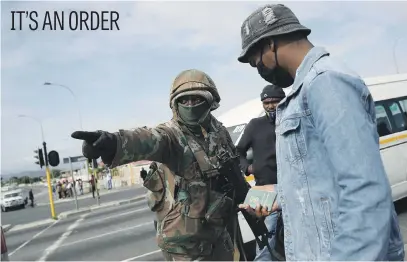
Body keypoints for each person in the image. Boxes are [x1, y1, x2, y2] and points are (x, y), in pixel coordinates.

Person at [237, 4, 405, 261]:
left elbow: (365, 191)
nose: (258, 68)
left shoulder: (326, 83)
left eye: (255, 61)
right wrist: (279, 194)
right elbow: (321, 183)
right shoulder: (304, 90)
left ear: (269, 43)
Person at [71, 69, 238, 261]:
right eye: (184, 100)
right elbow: (146, 139)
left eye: (196, 99)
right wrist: (110, 143)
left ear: (211, 101)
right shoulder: (172, 136)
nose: (190, 105)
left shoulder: (220, 133)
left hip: (220, 233)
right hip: (187, 245)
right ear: (175, 104)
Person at [236, 84, 285, 261]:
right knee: (266, 241)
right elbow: (238, 151)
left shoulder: (291, 121)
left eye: (274, 101)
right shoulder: (255, 125)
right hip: (264, 191)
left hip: (294, 187)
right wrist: (248, 168)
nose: (270, 106)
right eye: (266, 102)